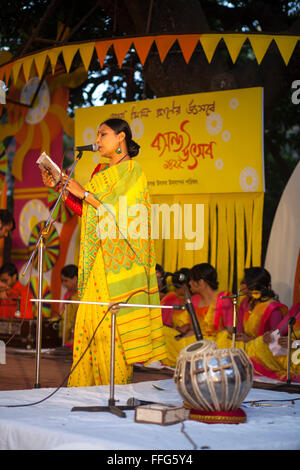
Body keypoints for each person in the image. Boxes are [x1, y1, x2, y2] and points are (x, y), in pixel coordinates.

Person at [42, 118, 166, 387]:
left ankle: (116, 391)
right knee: (89, 327)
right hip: (96, 260)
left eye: (103, 134)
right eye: (97, 135)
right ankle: (84, 391)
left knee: (113, 331)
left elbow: (125, 214)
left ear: (121, 137)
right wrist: (59, 187)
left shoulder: (134, 171)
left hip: (118, 265)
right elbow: (89, 210)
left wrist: (84, 192)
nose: (97, 140)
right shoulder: (99, 171)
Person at [161, 263, 233, 367]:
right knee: (164, 331)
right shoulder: (194, 300)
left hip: (216, 342)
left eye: (191, 280)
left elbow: (229, 330)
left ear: (201, 282)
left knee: (221, 338)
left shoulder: (224, 299)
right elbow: (193, 328)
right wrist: (183, 336)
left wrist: (207, 334)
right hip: (196, 339)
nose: (189, 283)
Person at [216, 267, 288, 356]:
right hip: (245, 347)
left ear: (254, 285)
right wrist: (236, 336)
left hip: (264, 353)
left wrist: (249, 340)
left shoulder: (273, 309)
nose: (241, 285)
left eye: (243, 282)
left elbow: (275, 343)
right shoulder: (245, 302)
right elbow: (240, 329)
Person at [58, 264, 79, 349]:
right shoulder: (68, 295)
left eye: (65, 281)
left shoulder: (83, 296)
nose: (63, 284)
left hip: (75, 340)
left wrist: (73, 338)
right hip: (64, 339)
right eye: (62, 281)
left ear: (75, 279)